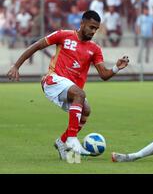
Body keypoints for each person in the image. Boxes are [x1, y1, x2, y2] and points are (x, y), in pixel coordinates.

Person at [6, 11, 130, 162]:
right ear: (82, 23)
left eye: (96, 29)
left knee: (86, 110)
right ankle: (72, 139)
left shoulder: (95, 49)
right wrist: (16, 66)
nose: (93, 31)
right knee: (80, 94)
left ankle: (62, 142)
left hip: (69, 89)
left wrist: (116, 68)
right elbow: (37, 46)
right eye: (91, 27)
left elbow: (104, 75)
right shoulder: (63, 35)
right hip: (53, 79)